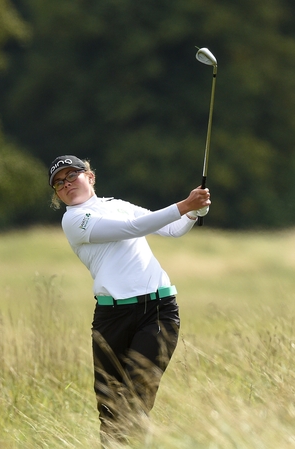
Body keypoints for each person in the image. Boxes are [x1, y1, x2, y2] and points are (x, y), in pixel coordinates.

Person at [47, 155, 210, 446]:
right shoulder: (73, 220)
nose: (66, 184)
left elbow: (172, 229)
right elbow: (132, 228)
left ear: (90, 177)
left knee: (137, 398)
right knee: (110, 407)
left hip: (158, 311)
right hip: (111, 318)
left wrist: (194, 213)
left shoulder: (118, 205)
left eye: (72, 175)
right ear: (58, 195)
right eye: (59, 183)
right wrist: (185, 205)